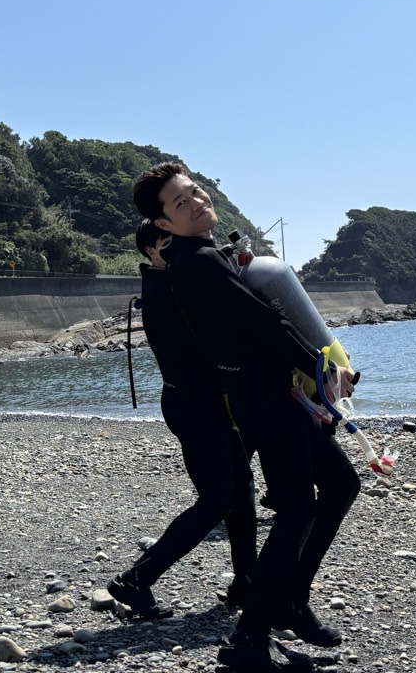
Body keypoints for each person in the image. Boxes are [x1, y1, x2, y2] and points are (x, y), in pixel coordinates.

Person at [133, 163, 361, 673]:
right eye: (180, 203)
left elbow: (263, 321)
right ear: (164, 224)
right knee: (298, 508)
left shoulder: (204, 257)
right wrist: (325, 371)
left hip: (270, 392)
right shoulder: (196, 263)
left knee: (341, 483)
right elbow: (267, 324)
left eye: (196, 191)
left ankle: (290, 602)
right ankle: (249, 640)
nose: (197, 202)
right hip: (261, 398)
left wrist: (315, 371)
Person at [105, 219, 258, 622]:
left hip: (202, 401)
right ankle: (135, 580)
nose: (181, 250)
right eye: (169, 242)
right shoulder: (166, 290)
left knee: (241, 488)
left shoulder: (168, 283)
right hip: (194, 406)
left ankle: (247, 582)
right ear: (152, 251)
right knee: (218, 499)